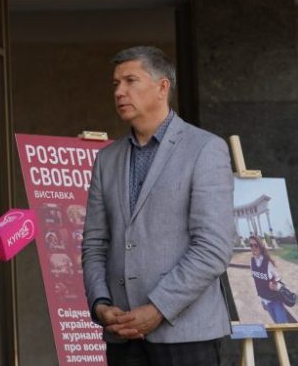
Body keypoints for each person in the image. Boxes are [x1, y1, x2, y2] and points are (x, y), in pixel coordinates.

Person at [81, 46, 234, 365]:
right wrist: (100, 304)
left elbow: (213, 246)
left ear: (162, 87)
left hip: (187, 334)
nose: (120, 91)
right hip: (122, 335)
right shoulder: (106, 159)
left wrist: (158, 308)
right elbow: (95, 243)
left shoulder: (205, 149)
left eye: (130, 81)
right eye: (115, 84)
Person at [248, 235, 288, 323]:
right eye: (251, 245)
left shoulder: (268, 262)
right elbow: (257, 282)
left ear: (260, 246)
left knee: (284, 328)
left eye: (256, 245)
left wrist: (275, 285)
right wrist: (262, 301)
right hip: (265, 301)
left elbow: (278, 279)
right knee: (277, 326)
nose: (253, 247)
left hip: (275, 300)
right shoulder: (251, 262)